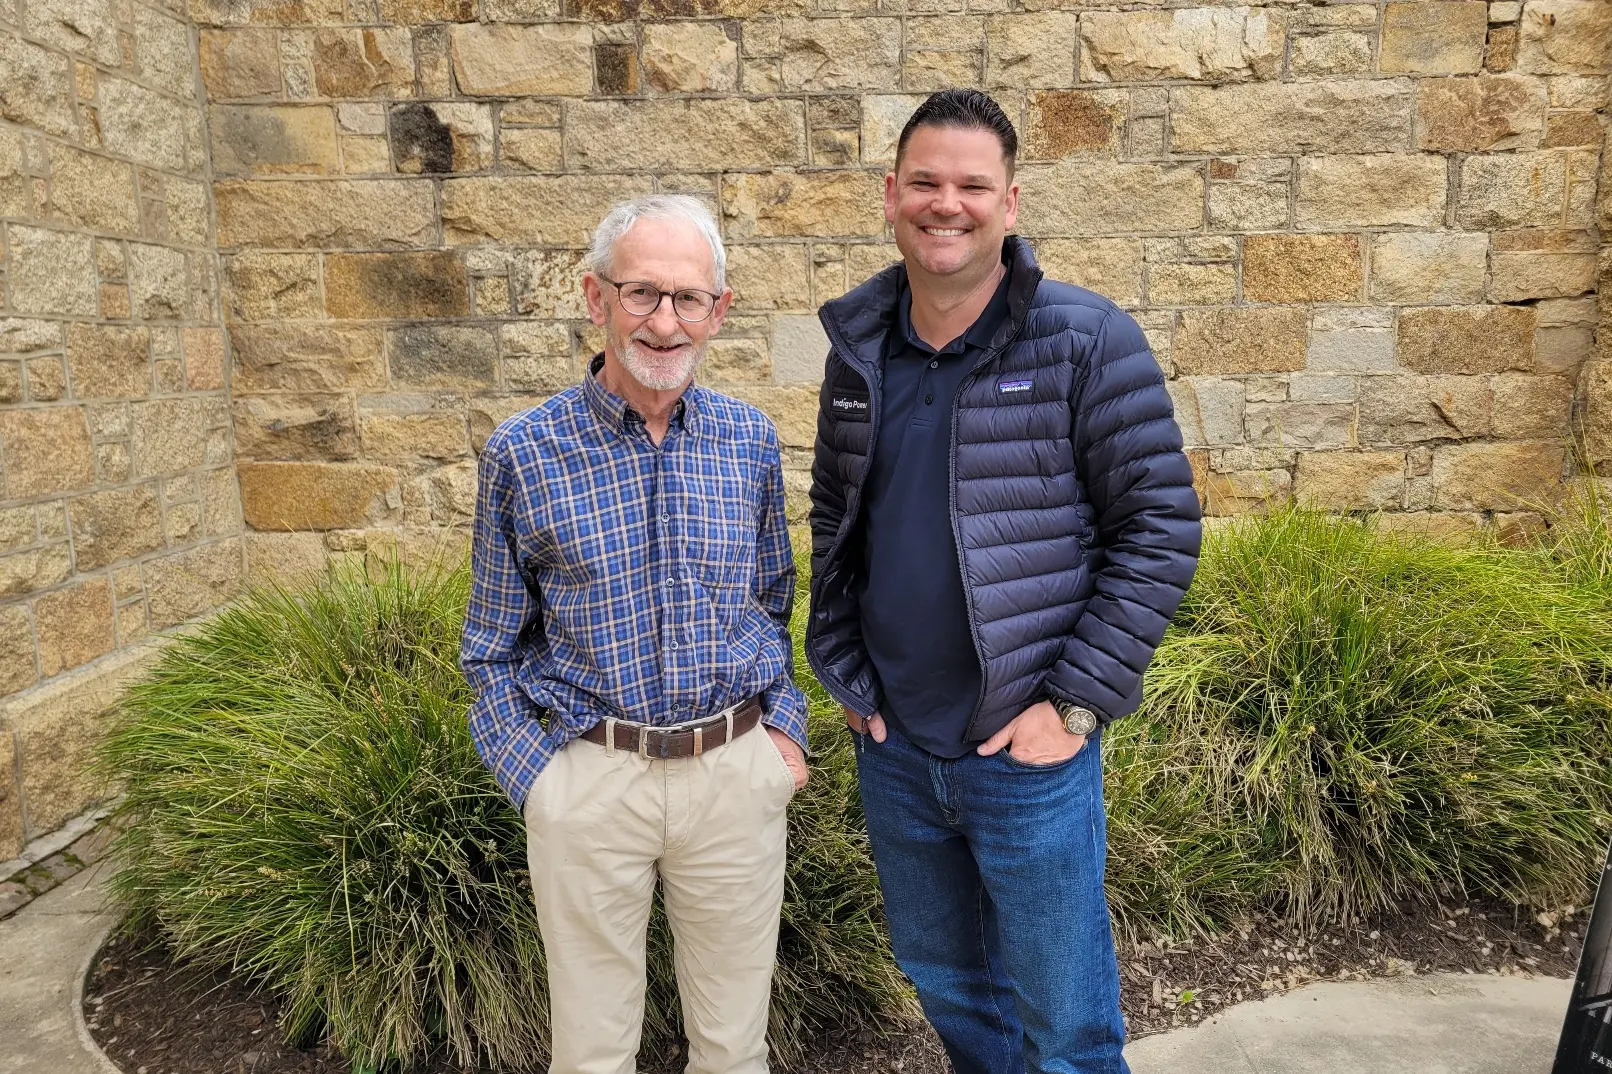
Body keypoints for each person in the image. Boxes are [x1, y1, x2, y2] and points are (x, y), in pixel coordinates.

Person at [805, 89, 1202, 1074]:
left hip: (1023, 755)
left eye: (972, 185)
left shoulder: (1084, 339)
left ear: (1010, 203)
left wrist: (1070, 705)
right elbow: (835, 516)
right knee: (946, 984)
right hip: (897, 748)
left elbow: (1158, 529)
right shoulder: (859, 348)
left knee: (1065, 1023)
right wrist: (848, 673)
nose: (949, 204)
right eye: (927, 183)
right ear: (891, 195)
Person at [461, 194, 810, 1074]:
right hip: (591, 783)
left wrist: (783, 737)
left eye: (688, 298)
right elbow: (490, 646)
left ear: (719, 310)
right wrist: (538, 782)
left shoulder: (750, 442)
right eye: (641, 293)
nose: (664, 321)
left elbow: (773, 599)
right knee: (592, 1056)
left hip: (734, 778)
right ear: (595, 297)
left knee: (734, 1051)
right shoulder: (523, 452)